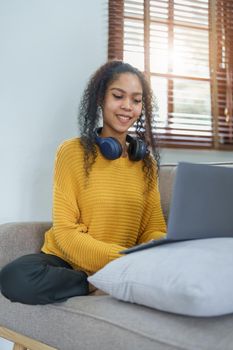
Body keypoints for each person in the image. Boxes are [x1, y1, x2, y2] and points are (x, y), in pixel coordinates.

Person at [0, 60, 166, 305]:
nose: (127, 107)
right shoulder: (72, 152)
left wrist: (159, 246)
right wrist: (124, 260)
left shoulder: (145, 163)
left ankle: (107, 281)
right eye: (118, 96)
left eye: (136, 100)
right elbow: (66, 234)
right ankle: (91, 285)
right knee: (15, 277)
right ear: (101, 98)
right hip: (68, 262)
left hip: (122, 265)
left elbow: (152, 227)